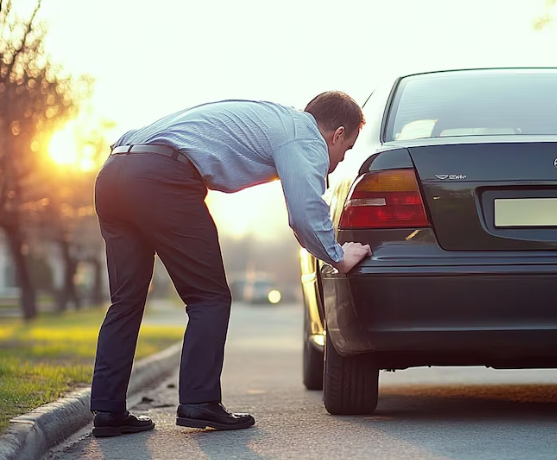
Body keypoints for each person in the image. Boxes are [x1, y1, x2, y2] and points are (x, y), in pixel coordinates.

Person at [89, 92, 372, 438]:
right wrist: (340, 257)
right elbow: (304, 215)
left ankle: (108, 410)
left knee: (126, 300)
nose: (341, 160)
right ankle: (199, 401)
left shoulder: (275, 119)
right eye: (347, 149)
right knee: (209, 296)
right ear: (337, 134)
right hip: (161, 178)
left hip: (115, 171)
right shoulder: (305, 135)